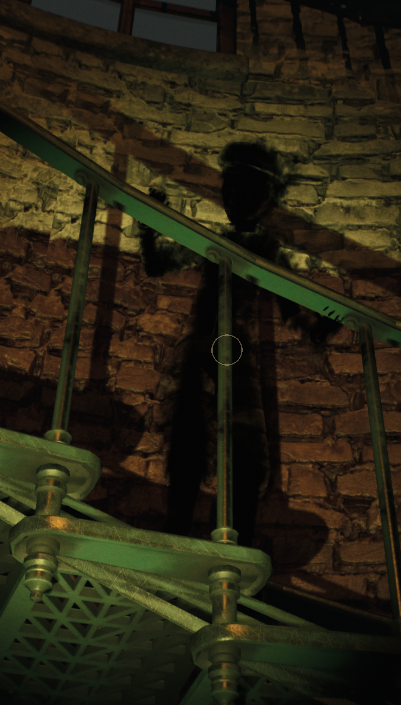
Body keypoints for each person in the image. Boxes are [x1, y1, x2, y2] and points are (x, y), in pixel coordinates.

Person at [137, 140, 340, 546]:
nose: (232, 199)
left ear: (263, 197)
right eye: (228, 189)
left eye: (243, 190)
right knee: (189, 446)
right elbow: (158, 263)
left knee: (242, 453)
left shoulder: (265, 249)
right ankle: (178, 534)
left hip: (231, 352)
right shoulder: (215, 242)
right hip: (208, 349)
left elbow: (290, 309)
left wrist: (320, 327)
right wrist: (148, 225)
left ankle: (234, 539)